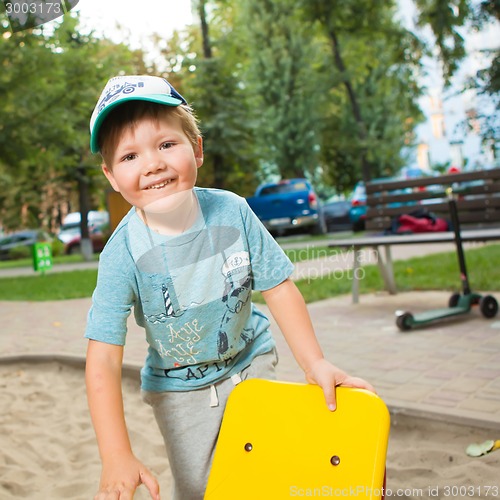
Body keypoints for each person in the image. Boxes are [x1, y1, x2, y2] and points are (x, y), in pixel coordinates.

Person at [85, 74, 375, 500]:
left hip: (249, 361)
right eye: (130, 155)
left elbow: (278, 287)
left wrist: (315, 363)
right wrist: (115, 454)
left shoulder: (233, 211)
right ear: (112, 176)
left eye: (166, 144)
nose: (152, 163)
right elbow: (103, 360)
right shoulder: (122, 252)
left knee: (266, 473)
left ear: (196, 149)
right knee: (205, 489)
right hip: (181, 392)